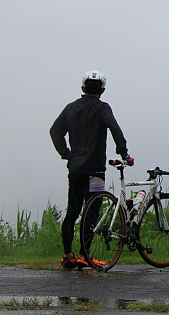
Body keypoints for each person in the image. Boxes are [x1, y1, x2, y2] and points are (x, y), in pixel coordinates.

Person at [50, 70, 132, 270]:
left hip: (75, 170)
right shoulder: (102, 108)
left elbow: (55, 131)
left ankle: (68, 256)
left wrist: (66, 154)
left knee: (73, 212)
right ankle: (84, 256)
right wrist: (124, 153)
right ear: (102, 90)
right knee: (91, 212)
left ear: (82, 88)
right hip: (95, 171)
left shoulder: (71, 108)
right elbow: (114, 128)